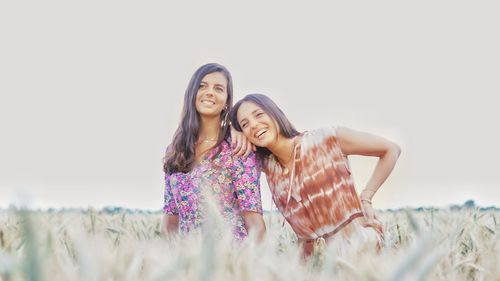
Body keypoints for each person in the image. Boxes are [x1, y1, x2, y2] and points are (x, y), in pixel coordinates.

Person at [230, 93, 401, 256]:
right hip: (316, 268)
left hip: (361, 253)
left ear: (275, 114)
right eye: (245, 124)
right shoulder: (268, 167)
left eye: (259, 114)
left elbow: (391, 149)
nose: (253, 125)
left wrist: (367, 197)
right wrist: (232, 131)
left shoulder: (326, 139)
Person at [162, 64, 265, 241]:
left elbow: (254, 222)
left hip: (231, 259)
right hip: (189, 261)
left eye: (218, 88)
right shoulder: (175, 150)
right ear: (192, 94)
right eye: (202, 86)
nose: (210, 92)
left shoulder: (238, 149)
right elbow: (170, 222)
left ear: (226, 102)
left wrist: (250, 265)